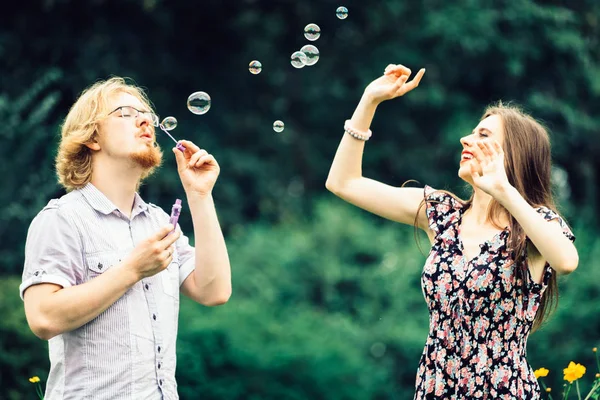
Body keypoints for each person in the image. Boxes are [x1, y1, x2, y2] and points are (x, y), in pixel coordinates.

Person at [326, 64, 578, 399]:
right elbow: (343, 183)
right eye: (472, 132)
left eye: (483, 136)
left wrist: (505, 192)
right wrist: (369, 101)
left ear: (512, 155)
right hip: (435, 389)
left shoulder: (533, 225)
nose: (466, 139)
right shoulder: (442, 214)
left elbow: (566, 260)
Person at [20, 77, 232, 399]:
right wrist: (131, 270)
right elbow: (43, 317)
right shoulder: (62, 219)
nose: (146, 121)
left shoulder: (160, 222)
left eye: (147, 114)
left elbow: (213, 290)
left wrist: (199, 195)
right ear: (91, 138)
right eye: (125, 113)